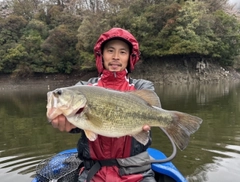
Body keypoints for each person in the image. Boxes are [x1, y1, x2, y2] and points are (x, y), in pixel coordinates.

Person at [51, 27, 158, 182]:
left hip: (136, 174)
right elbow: (77, 124)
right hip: (94, 174)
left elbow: (152, 110)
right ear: (101, 56)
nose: (115, 57)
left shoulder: (141, 87)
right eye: (110, 51)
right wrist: (66, 122)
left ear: (130, 57)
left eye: (122, 52)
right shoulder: (84, 88)